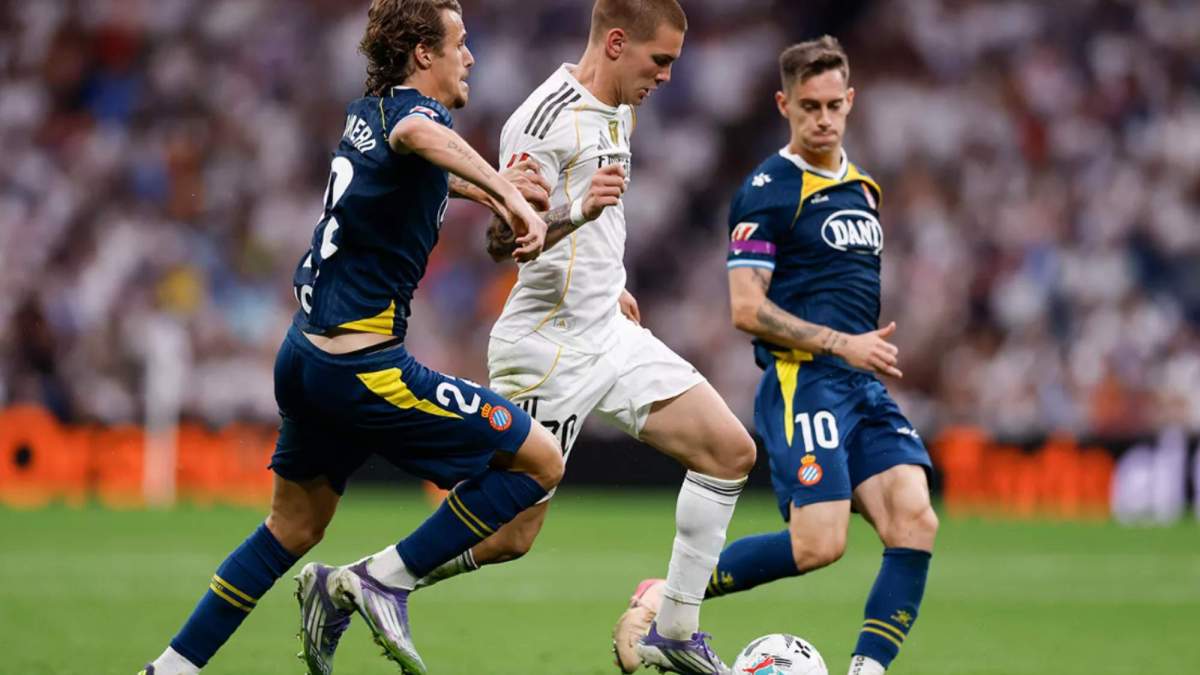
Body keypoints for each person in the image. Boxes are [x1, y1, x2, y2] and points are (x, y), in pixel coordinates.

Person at [138, 2, 567, 674]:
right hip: (362, 368)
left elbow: (415, 167)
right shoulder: (415, 119)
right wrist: (508, 198)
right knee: (540, 461)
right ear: (422, 54)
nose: (471, 57)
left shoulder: (367, 114)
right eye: (460, 43)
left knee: (294, 526)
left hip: (305, 354)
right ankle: (382, 577)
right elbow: (423, 136)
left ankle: (169, 668)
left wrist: (488, 192)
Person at [413, 2, 758, 673]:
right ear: (618, 43)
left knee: (729, 451)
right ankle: (376, 578)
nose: (665, 76)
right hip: (548, 345)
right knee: (514, 534)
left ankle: (675, 630)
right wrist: (579, 212)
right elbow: (500, 240)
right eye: (660, 61)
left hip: (606, 326)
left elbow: (594, 225)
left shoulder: (620, 108)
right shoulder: (541, 120)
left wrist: (609, 280)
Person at [612, 36, 939, 675]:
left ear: (850, 102)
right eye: (808, 106)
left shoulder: (864, 188)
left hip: (861, 388)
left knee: (916, 519)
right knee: (820, 545)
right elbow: (744, 307)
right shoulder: (767, 188)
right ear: (783, 104)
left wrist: (856, 353)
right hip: (804, 381)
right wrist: (845, 344)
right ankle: (665, 597)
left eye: (833, 105)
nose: (822, 118)